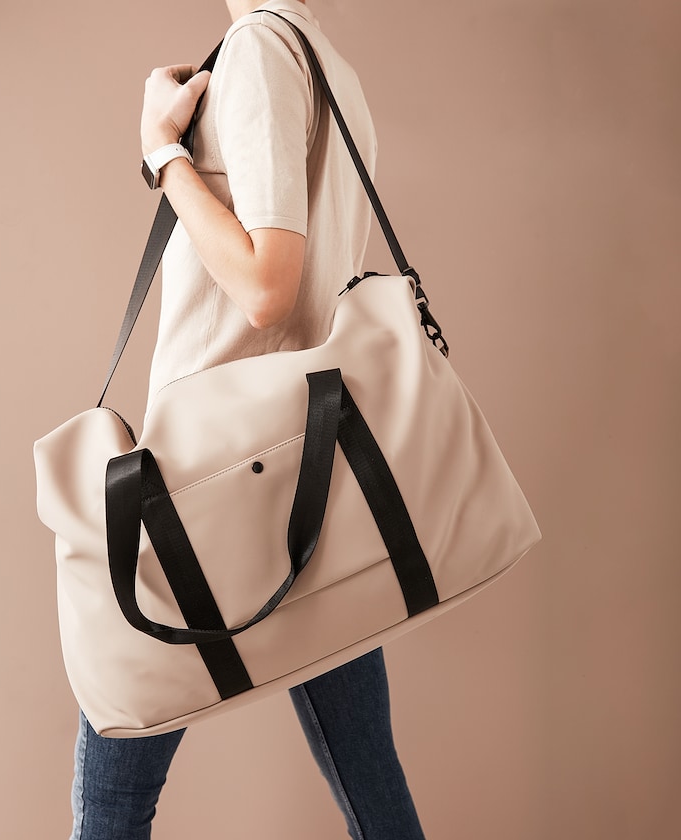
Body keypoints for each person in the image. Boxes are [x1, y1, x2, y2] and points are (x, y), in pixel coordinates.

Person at [70, 2, 427, 838]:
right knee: (371, 784)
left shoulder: (261, 47)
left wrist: (163, 153)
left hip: (208, 476)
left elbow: (269, 288)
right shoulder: (325, 61)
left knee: (113, 794)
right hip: (306, 467)